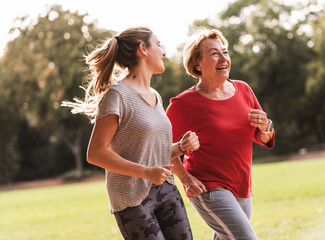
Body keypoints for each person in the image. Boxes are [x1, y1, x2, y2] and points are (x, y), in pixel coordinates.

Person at [61, 26, 200, 240]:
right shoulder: (117, 95)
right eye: (158, 45)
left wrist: (181, 147)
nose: (163, 52)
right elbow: (95, 153)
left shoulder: (155, 95)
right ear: (143, 49)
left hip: (166, 189)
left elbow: (152, 153)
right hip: (132, 199)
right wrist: (145, 173)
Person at [166, 28, 275, 240]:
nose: (223, 57)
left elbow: (264, 136)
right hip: (209, 188)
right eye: (214, 53)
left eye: (225, 52)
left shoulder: (243, 90)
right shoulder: (182, 104)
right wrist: (186, 179)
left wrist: (266, 127)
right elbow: (160, 150)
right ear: (197, 63)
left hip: (243, 186)